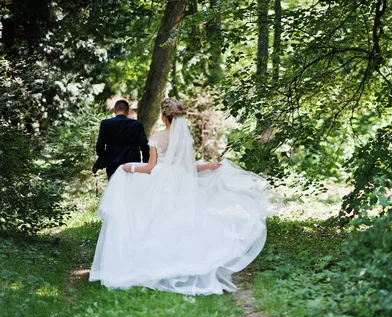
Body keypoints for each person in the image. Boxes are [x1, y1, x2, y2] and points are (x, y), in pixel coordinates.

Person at [90, 99, 278, 295]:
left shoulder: (157, 138)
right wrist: (208, 166)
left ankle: (157, 265)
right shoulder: (184, 140)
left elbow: (150, 167)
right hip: (181, 184)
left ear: (164, 117)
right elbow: (190, 166)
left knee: (155, 224)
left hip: (161, 185)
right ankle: (184, 264)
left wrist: (130, 167)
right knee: (179, 222)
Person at [93, 100, 150, 179]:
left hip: (113, 165)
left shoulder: (106, 124)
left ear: (114, 111)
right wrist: (145, 163)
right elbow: (144, 145)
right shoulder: (137, 124)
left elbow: (100, 146)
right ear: (128, 111)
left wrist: (104, 158)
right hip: (132, 165)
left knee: (114, 190)